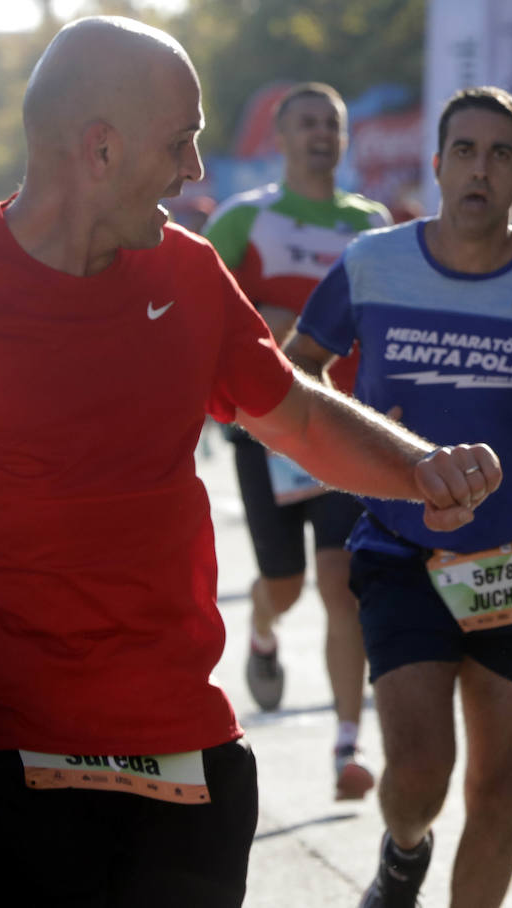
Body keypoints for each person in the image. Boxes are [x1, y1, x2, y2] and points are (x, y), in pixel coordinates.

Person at [0, 17, 499, 908]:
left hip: (180, 751)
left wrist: (420, 469)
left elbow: (293, 413)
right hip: (2, 757)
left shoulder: (188, 273)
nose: (197, 171)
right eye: (181, 143)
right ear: (99, 149)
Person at [285, 86, 512, 908]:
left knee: (499, 793)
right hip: (403, 550)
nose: (481, 168)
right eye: (465, 151)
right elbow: (294, 371)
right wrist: (355, 436)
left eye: (501, 154)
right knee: (419, 777)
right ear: (437, 165)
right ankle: (403, 851)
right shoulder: (373, 262)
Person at [203, 82, 393, 800]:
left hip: (341, 425)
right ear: (279, 138)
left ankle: (348, 745)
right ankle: (262, 626)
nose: (321, 134)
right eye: (307, 123)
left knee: (341, 583)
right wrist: (262, 311)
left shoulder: (370, 223)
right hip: (264, 428)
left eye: (333, 125)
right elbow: (199, 302)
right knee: (284, 585)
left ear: (345, 140)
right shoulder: (243, 219)